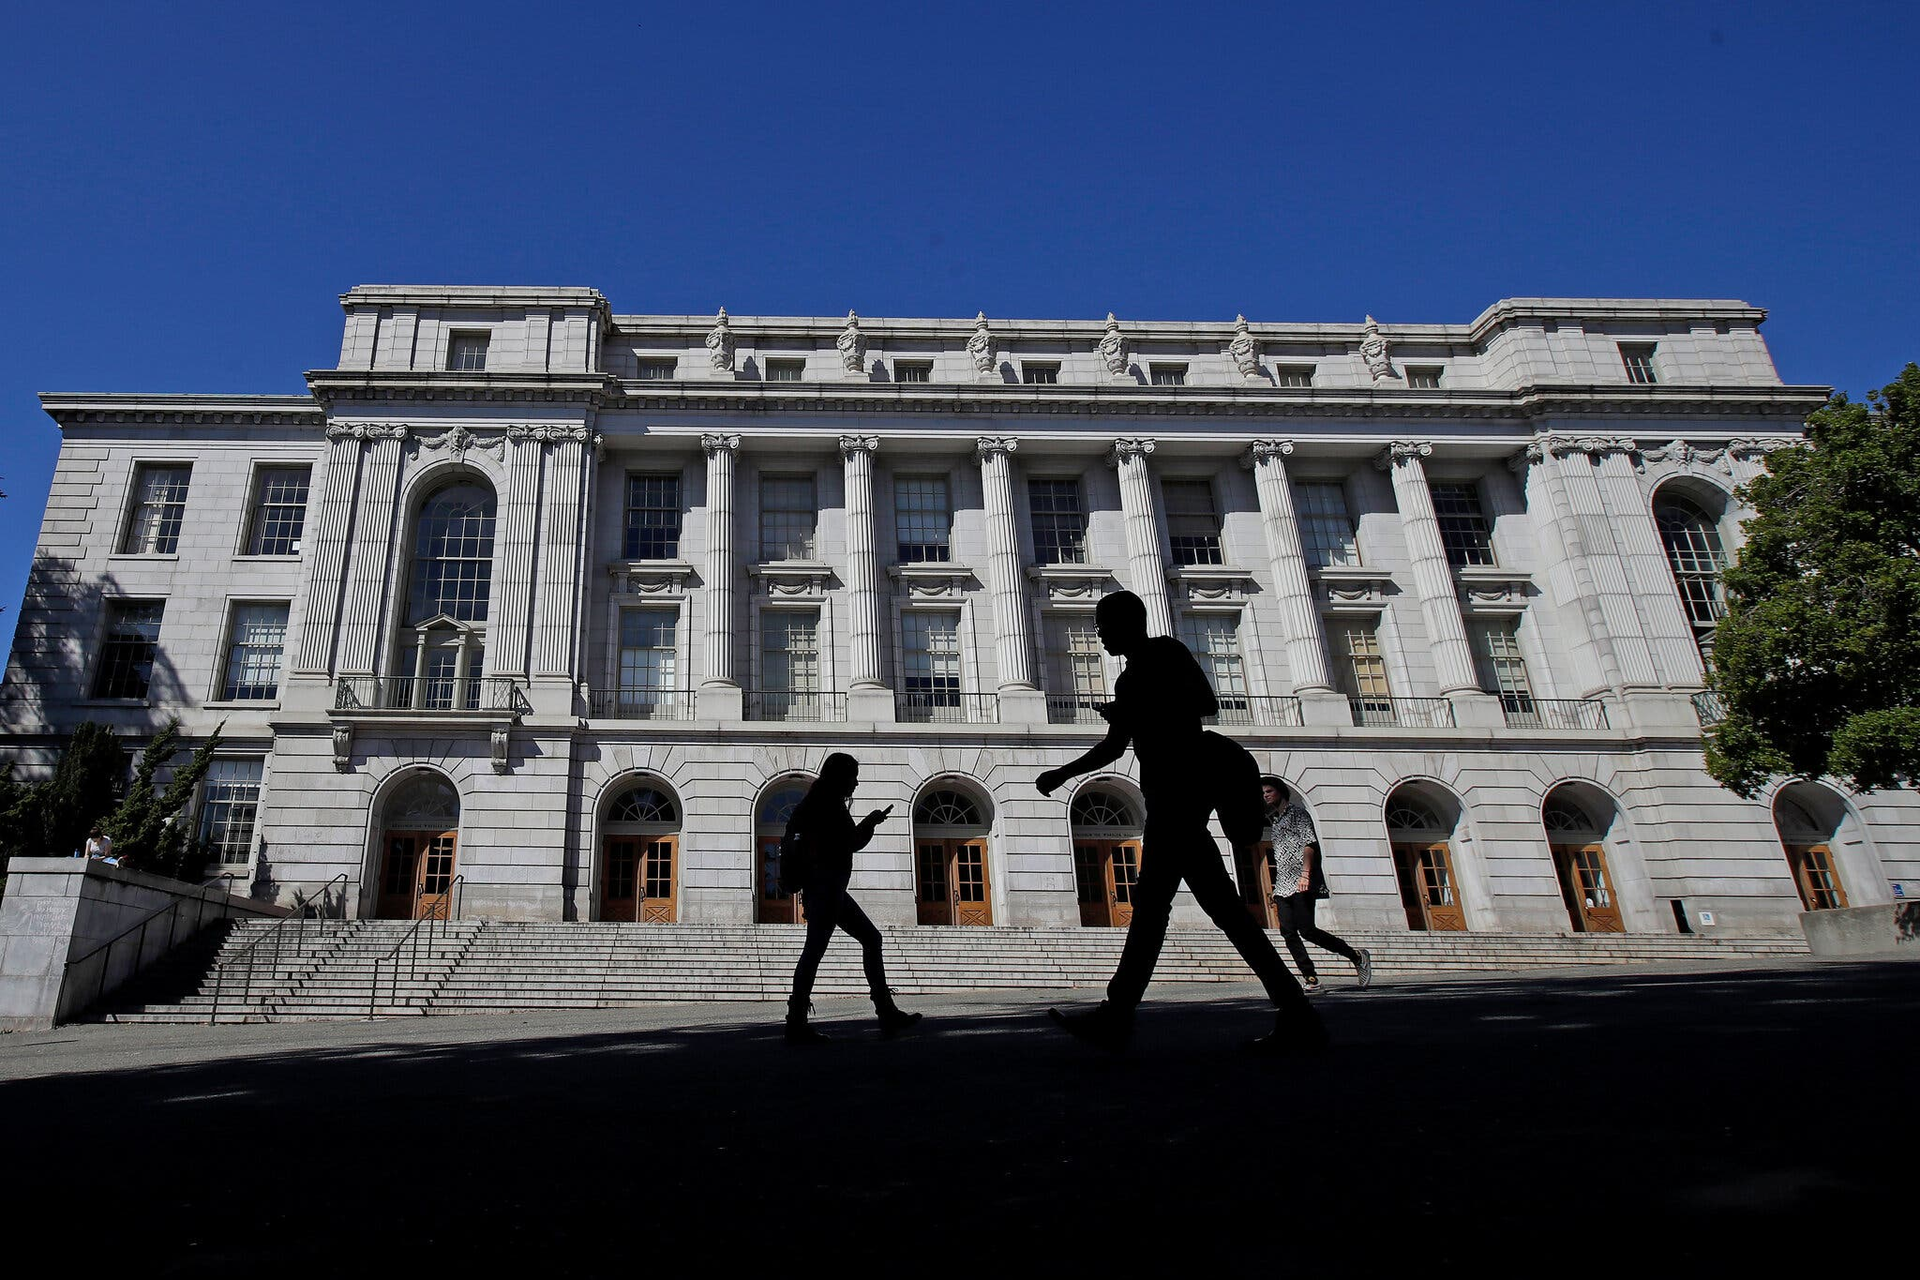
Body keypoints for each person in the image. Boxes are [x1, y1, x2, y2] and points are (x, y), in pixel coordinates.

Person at [1036, 591, 1326, 1054]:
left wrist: (1138, 710)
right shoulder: (1128, 681)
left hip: (1180, 798)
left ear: (1129, 622)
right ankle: (1296, 1011)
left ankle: (1118, 1013)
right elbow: (1114, 747)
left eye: (1103, 624)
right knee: (1215, 913)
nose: (1099, 633)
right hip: (1167, 802)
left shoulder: (1164, 653)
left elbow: (1205, 702)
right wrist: (1063, 772)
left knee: (1155, 910)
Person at [782, 752, 922, 1045]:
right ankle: (799, 1021)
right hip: (827, 889)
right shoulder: (829, 804)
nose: (856, 783)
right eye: (853, 776)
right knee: (824, 949)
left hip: (826, 889)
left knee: (849, 944)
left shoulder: (814, 802)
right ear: (840, 776)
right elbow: (852, 842)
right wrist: (870, 822)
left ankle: (881, 1010)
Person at [1259, 776, 1371, 992]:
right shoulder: (1276, 821)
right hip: (1283, 884)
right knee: (1287, 932)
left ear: (1280, 791)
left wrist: (1306, 874)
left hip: (1301, 881)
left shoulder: (1298, 814)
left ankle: (1356, 955)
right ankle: (1310, 977)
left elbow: (1309, 844)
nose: (1265, 796)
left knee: (1307, 930)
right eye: (1263, 793)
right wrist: (1275, 887)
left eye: (1268, 791)